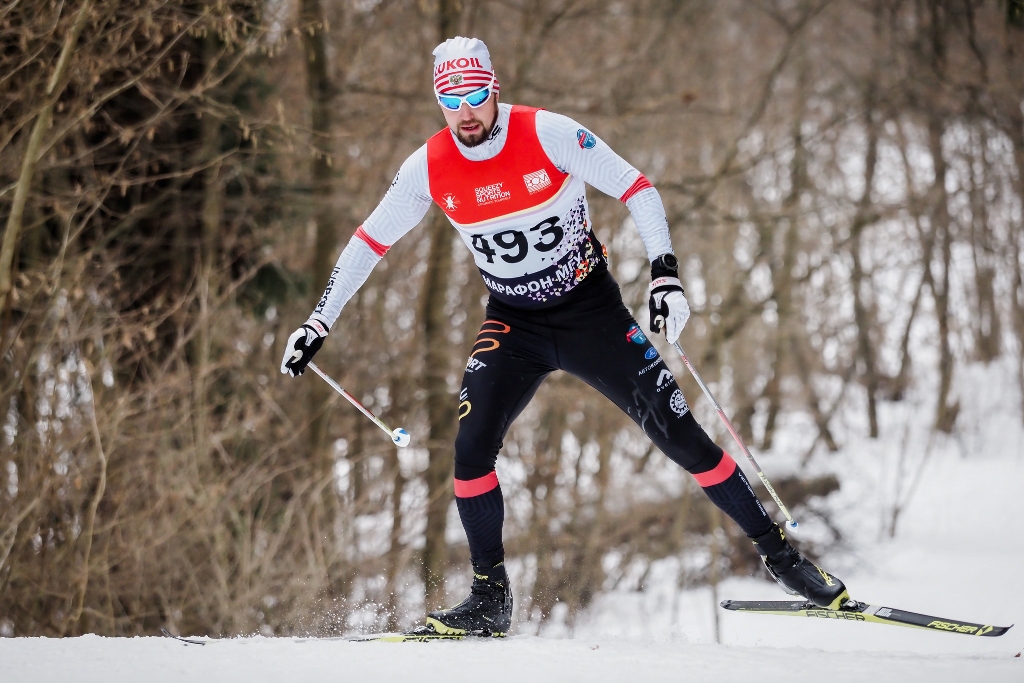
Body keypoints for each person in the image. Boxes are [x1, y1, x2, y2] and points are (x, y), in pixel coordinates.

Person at [281, 37, 847, 637]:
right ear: (439, 101)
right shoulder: (428, 166)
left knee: (680, 435)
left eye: (475, 94)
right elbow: (369, 242)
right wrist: (319, 320)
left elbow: (638, 188)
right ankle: (489, 597)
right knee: (471, 449)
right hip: (513, 322)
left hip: (589, 313)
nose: (465, 111)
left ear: (494, 90)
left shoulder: (548, 134)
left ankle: (783, 559)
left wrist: (666, 277)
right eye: (451, 98)